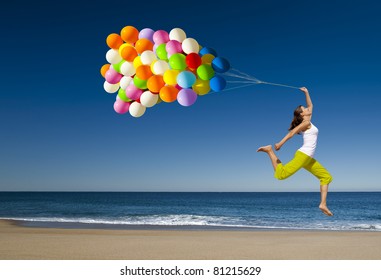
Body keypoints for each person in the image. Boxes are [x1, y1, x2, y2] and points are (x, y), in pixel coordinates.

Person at [257, 87, 333, 216]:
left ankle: (323, 204)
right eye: (305, 109)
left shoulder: (309, 120)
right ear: (302, 114)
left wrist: (306, 92)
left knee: (326, 177)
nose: (308, 109)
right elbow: (292, 132)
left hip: (308, 158)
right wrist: (280, 143)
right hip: (303, 155)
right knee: (281, 175)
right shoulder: (306, 123)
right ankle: (269, 150)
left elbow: (311, 104)